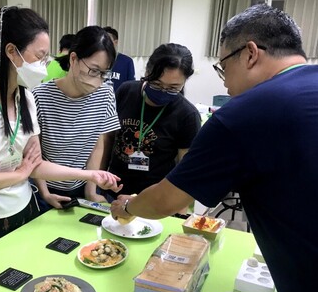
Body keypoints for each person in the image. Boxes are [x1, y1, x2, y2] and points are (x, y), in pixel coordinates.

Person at [111, 4, 318, 292]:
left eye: (223, 67)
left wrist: (127, 207)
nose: (224, 81)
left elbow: (165, 200)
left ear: (250, 53)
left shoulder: (243, 115)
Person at [0, 7, 121, 264]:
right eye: (40, 56)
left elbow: (35, 163)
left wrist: (89, 175)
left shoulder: (25, 96)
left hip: (24, 209)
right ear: (12, 51)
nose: (44, 66)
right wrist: (21, 174)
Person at [32, 26, 120, 210]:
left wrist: (91, 190)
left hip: (81, 186)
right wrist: (45, 193)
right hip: (44, 188)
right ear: (73, 58)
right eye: (93, 70)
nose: (98, 81)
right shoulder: (39, 96)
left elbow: (97, 145)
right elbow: (34, 153)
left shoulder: (105, 93)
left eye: (104, 73)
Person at [103, 43, 201, 202]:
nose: (163, 92)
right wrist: (97, 184)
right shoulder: (126, 91)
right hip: (113, 189)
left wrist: (178, 207)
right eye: (156, 84)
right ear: (147, 71)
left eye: (173, 88)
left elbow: (186, 170)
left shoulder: (187, 115)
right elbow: (108, 139)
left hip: (154, 200)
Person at [103, 26, 135, 92]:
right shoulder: (97, 61)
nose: (104, 43)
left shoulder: (127, 61)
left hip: (119, 100)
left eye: (107, 40)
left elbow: (131, 86)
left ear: (116, 42)